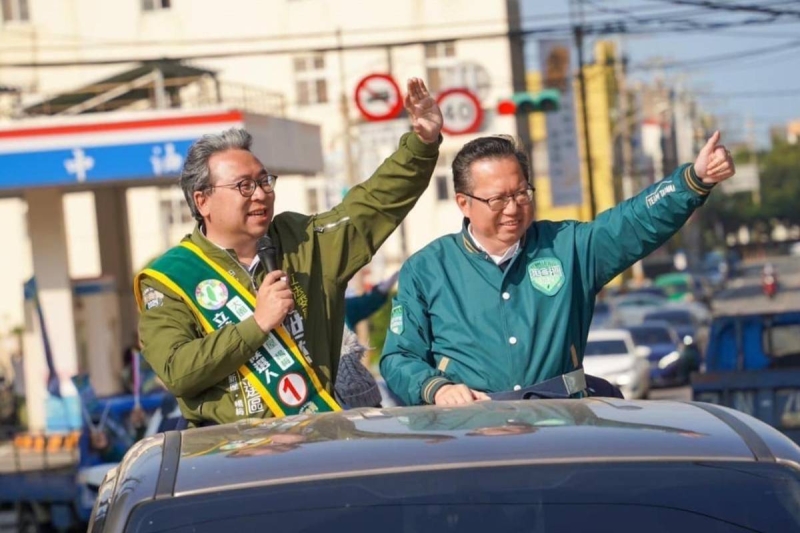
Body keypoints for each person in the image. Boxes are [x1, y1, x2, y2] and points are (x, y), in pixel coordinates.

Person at [134, 78, 443, 426]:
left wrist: (421, 143)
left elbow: (371, 205)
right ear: (202, 200)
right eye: (244, 186)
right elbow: (178, 371)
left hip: (316, 440)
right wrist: (257, 324)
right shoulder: (171, 278)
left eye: (265, 181)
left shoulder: (302, 241)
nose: (261, 194)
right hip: (228, 453)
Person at [380, 132, 735, 406]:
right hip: (472, 434)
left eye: (521, 193)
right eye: (498, 198)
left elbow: (633, 223)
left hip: (563, 424)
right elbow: (399, 356)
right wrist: (436, 389)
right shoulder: (427, 269)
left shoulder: (569, 247)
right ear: (464, 203)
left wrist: (692, 179)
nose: (513, 207)